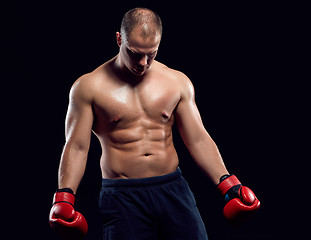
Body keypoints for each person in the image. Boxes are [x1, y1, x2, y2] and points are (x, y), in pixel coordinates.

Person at [49, 7, 260, 240]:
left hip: (173, 189)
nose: (143, 62)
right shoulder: (88, 87)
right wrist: (64, 196)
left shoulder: (176, 82)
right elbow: (77, 146)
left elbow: (198, 138)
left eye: (151, 53)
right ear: (119, 39)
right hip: (123, 195)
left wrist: (229, 184)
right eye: (134, 52)